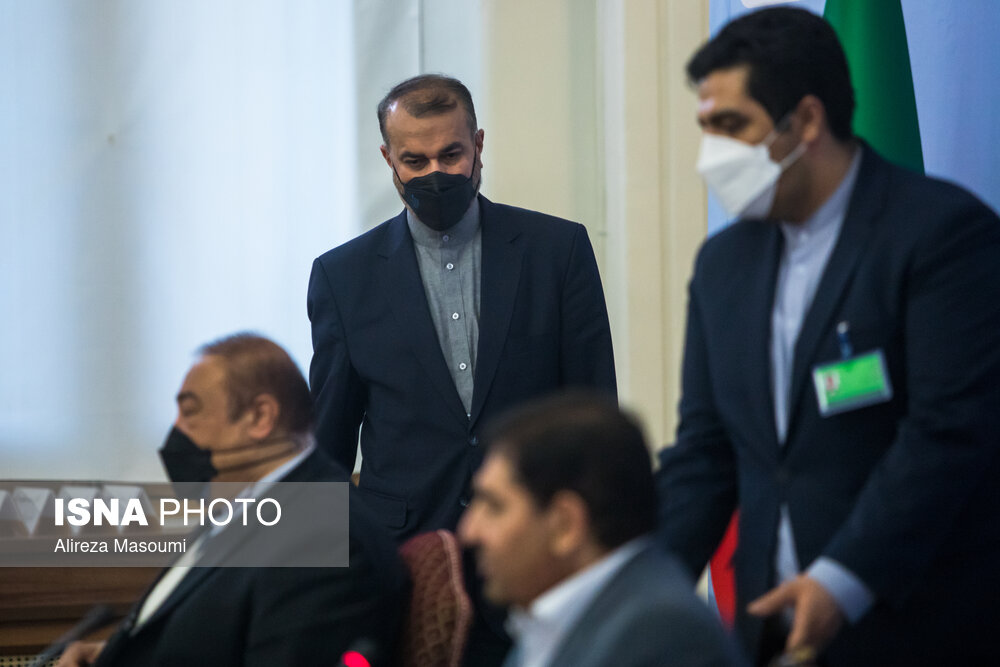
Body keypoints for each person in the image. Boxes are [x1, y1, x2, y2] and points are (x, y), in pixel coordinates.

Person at [656, 7, 1000, 666]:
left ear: (807, 121)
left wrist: (844, 578)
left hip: (918, 622)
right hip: (772, 630)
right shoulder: (723, 266)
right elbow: (705, 452)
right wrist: (638, 587)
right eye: (706, 128)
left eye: (732, 126)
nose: (712, 157)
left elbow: (949, 431)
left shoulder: (943, 235)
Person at [308, 74, 617, 542]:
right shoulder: (343, 277)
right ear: (389, 159)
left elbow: (594, 412)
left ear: (478, 145)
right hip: (405, 549)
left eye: (451, 155)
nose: (436, 173)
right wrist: (325, 569)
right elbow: (329, 444)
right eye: (415, 160)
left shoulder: (558, 250)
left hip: (535, 537)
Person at [58, 333, 407, 667]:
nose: (175, 432)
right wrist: (114, 655)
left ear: (260, 417)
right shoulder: (245, 508)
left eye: (191, 412)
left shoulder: (326, 538)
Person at [459, 391, 742, 667]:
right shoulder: (552, 621)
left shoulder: (659, 635)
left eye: (494, 507)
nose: (469, 531)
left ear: (565, 524)